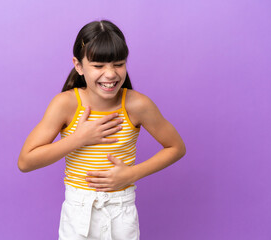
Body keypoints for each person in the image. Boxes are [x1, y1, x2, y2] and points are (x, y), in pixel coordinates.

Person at [18, 20, 186, 240]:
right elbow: (25, 162)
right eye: (98, 66)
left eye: (118, 64)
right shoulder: (66, 104)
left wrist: (132, 174)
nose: (110, 74)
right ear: (78, 65)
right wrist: (78, 138)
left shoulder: (137, 105)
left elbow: (176, 147)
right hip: (78, 212)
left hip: (121, 211)